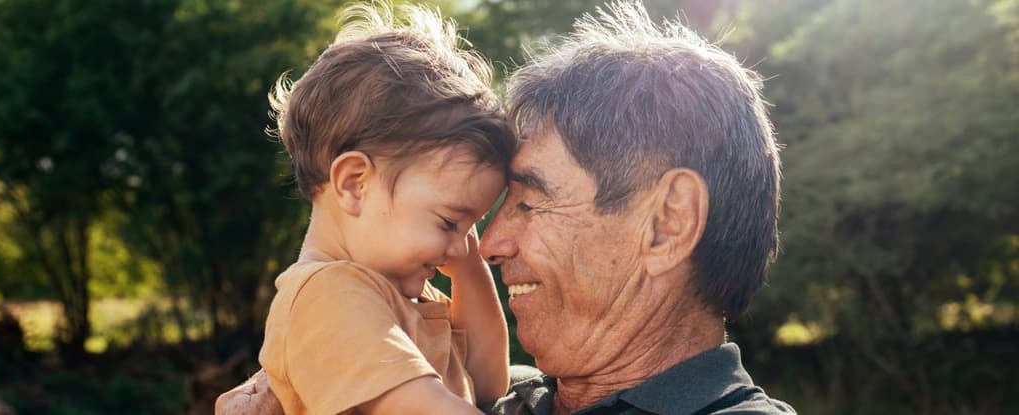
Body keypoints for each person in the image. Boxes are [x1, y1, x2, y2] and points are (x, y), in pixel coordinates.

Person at [218, 1, 797, 414]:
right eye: (461, 218)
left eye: (530, 201)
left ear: (667, 223)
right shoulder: (510, 398)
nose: (488, 244)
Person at [249, 2, 515, 414]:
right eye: (449, 222)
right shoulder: (327, 296)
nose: (461, 247)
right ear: (355, 184)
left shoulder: (401, 294)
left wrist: (468, 270)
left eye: (471, 228)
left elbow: (487, 383)